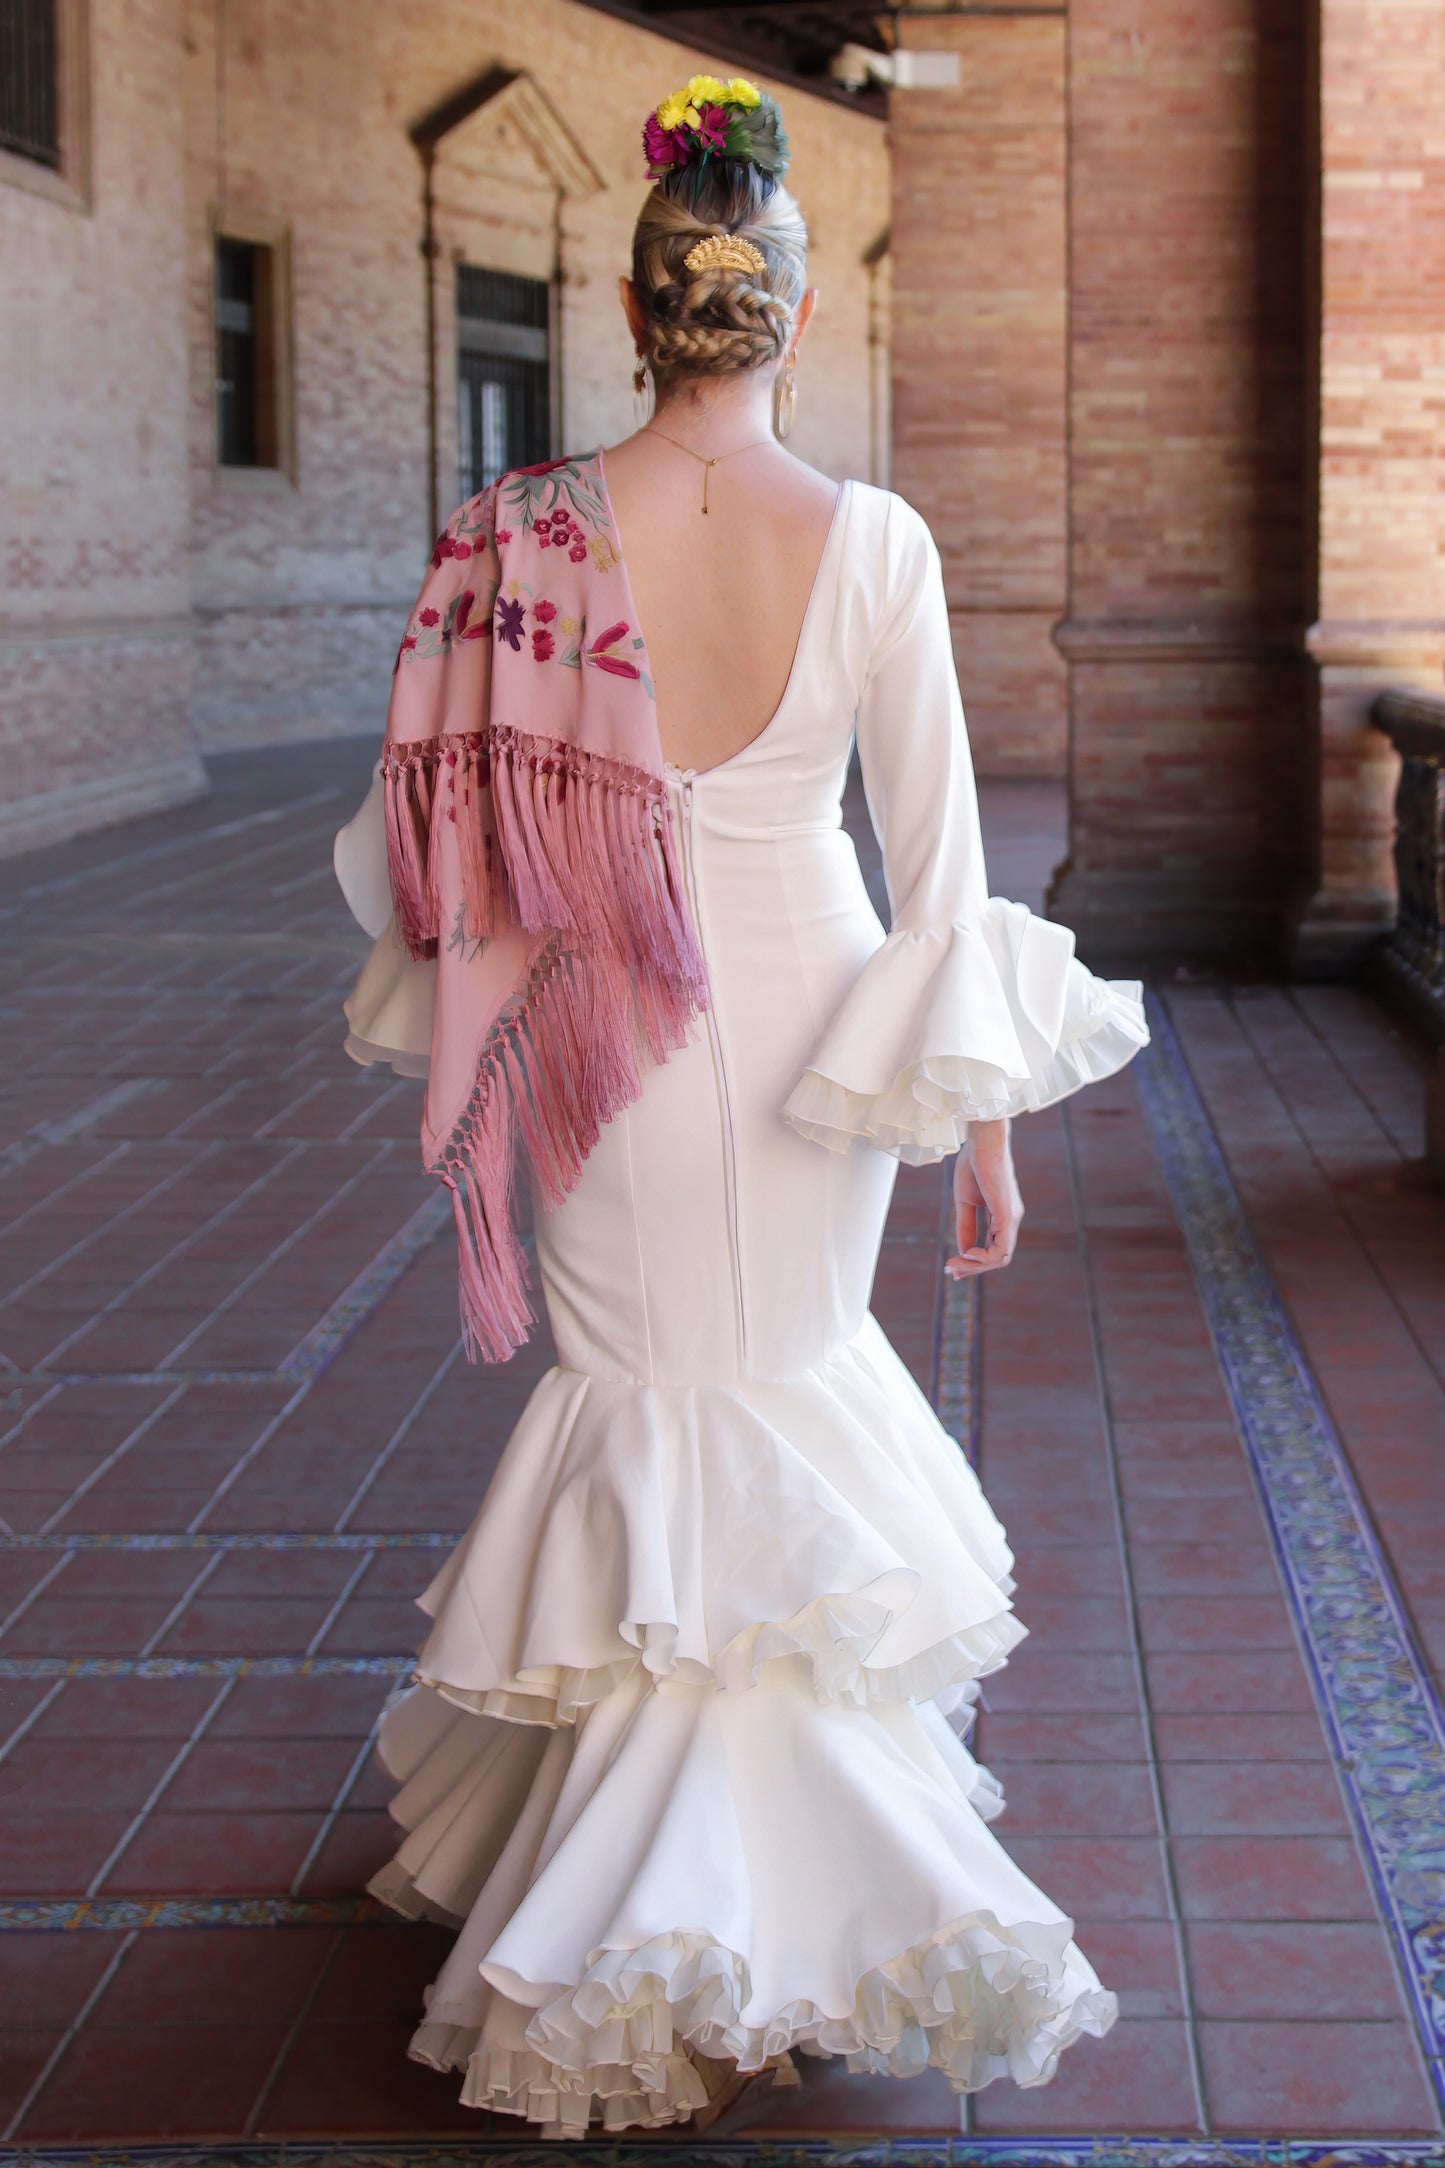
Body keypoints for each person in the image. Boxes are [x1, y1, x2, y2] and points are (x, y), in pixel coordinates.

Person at [334, 75, 1148, 2139]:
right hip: (811, 1020)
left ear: (632, 308)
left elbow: (438, 828)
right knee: (775, 1378)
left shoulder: (520, 533)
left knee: (641, 1395)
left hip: (594, 1012)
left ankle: (633, 1899)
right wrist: (985, 1123)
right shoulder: (875, 540)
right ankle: (759, 1891)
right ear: (794, 312)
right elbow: (943, 863)